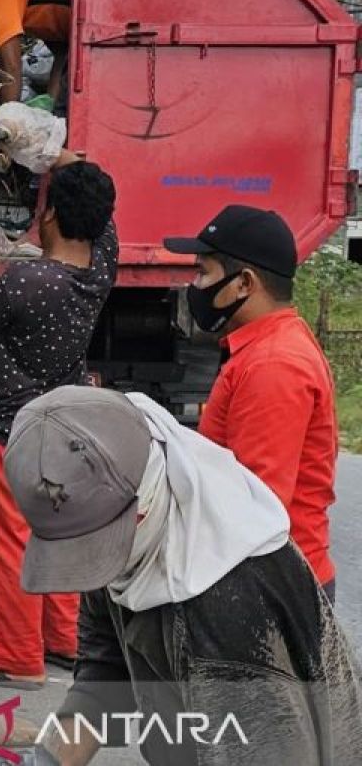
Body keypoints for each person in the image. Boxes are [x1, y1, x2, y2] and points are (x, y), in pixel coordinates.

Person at [4, 385, 362, 766]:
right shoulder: (126, 533)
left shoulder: (228, 608)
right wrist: (48, 760)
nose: (93, 562)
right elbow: (107, 671)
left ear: (147, 495)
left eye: (99, 545)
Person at [0, 157, 117, 691]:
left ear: (48, 215)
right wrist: (82, 168)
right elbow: (106, 225)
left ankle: (13, 660)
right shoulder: (98, 275)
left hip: (9, 432)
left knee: (7, 547)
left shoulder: (27, 281)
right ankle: (64, 641)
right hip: (65, 431)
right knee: (58, 538)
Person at [163, 205, 339, 602]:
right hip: (269, 579)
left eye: (204, 272)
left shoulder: (274, 365)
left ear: (244, 283)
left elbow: (255, 505)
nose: (196, 285)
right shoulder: (264, 348)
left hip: (273, 589)